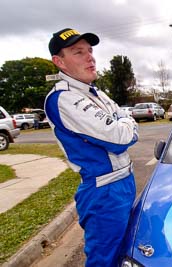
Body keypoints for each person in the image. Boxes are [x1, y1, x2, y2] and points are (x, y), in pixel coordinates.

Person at [45, 28, 139, 267]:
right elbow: (119, 138)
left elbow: (127, 125)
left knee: (127, 252)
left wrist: (125, 123)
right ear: (60, 62)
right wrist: (125, 123)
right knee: (104, 260)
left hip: (123, 182)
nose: (90, 57)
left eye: (90, 51)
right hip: (103, 191)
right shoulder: (64, 98)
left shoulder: (95, 93)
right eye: (78, 52)